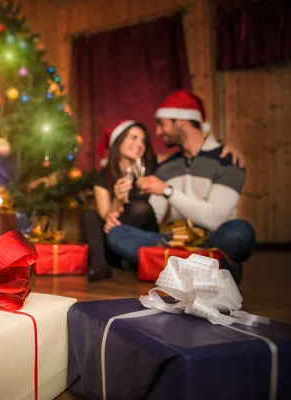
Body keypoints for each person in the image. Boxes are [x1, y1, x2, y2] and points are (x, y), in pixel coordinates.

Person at [106, 90, 255, 284]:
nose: (158, 132)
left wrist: (168, 191)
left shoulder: (227, 160)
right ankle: (214, 268)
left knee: (241, 232)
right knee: (119, 235)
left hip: (212, 239)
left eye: (162, 124)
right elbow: (156, 215)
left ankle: (167, 266)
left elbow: (214, 218)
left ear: (181, 121)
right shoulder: (167, 166)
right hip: (174, 242)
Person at [81, 120, 160, 282]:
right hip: (114, 234)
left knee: (140, 208)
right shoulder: (103, 177)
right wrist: (117, 199)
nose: (139, 144)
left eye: (143, 141)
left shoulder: (151, 168)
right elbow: (106, 217)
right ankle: (99, 265)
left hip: (142, 236)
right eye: (134, 138)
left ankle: (132, 258)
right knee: (89, 215)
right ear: (119, 141)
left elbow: (178, 153)